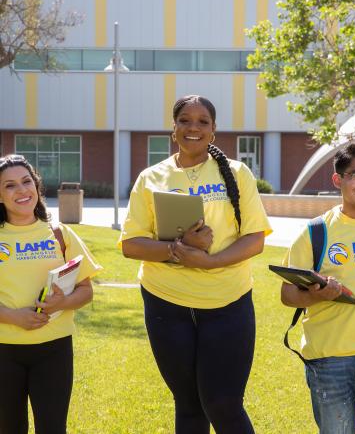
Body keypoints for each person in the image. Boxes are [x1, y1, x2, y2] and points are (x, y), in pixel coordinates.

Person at [120, 95, 272, 434]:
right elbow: (130, 245)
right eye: (185, 120)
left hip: (227, 303)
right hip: (165, 304)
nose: (194, 127)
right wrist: (180, 248)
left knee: (224, 404)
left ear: (214, 131)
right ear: (173, 129)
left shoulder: (237, 173)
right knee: (188, 405)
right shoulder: (151, 178)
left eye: (203, 121)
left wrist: (210, 261)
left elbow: (255, 239)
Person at [0, 154, 102, 434]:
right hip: (4, 351)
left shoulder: (59, 233)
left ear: (36, 186)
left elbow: (86, 291)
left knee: (53, 428)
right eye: (9, 186)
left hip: (54, 349)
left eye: (26, 181)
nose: (21, 190)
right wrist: (12, 316)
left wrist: (64, 301)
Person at [281, 141, 355, 433]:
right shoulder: (316, 232)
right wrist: (314, 294)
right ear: (338, 179)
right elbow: (287, 295)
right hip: (330, 362)